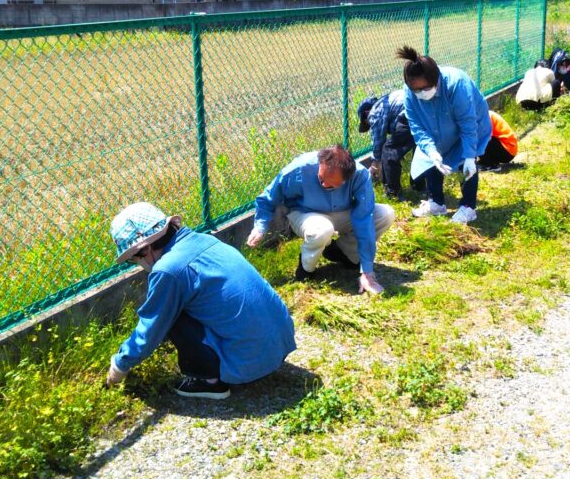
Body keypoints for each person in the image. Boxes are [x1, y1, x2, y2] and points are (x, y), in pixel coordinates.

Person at [105, 202, 296, 400]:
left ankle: (209, 381)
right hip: (281, 344)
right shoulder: (204, 240)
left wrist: (120, 364)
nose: (136, 263)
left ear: (144, 250)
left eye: (132, 258)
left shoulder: (168, 270)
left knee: (169, 312)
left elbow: (151, 327)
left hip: (250, 362)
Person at [246, 144, 394, 295]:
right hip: (304, 213)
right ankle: (305, 269)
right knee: (322, 229)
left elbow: (364, 218)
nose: (323, 184)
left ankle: (343, 252)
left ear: (347, 178)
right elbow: (267, 198)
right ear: (321, 163)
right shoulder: (299, 168)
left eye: (330, 184)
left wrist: (367, 272)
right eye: (321, 179)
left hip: (341, 211)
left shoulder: (360, 175)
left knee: (385, 214)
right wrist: (260, 227)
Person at [395, 45, 491, 225]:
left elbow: (468, 124)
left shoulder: (456, 85)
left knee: (465, 162)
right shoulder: (409, 93)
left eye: (425, 88)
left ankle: (469, 207)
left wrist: (470, 156)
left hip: (468, 124)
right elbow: (416, 126)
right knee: (432, 157)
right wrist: (431, 151)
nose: (421, 93)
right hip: (436, 127)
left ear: (436, 80)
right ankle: (436, 203)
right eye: (416, 90)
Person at [357, 90, 426, 200]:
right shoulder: (387, 103)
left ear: (366, 113)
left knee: (389, 151)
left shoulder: (374, 111)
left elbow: (378, 140)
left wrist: (376, 162)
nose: (370, 124)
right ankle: (419, 186)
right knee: (420, 149)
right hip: (423, 110)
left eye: (366, 122)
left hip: (409, 114)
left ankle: (393, 193)